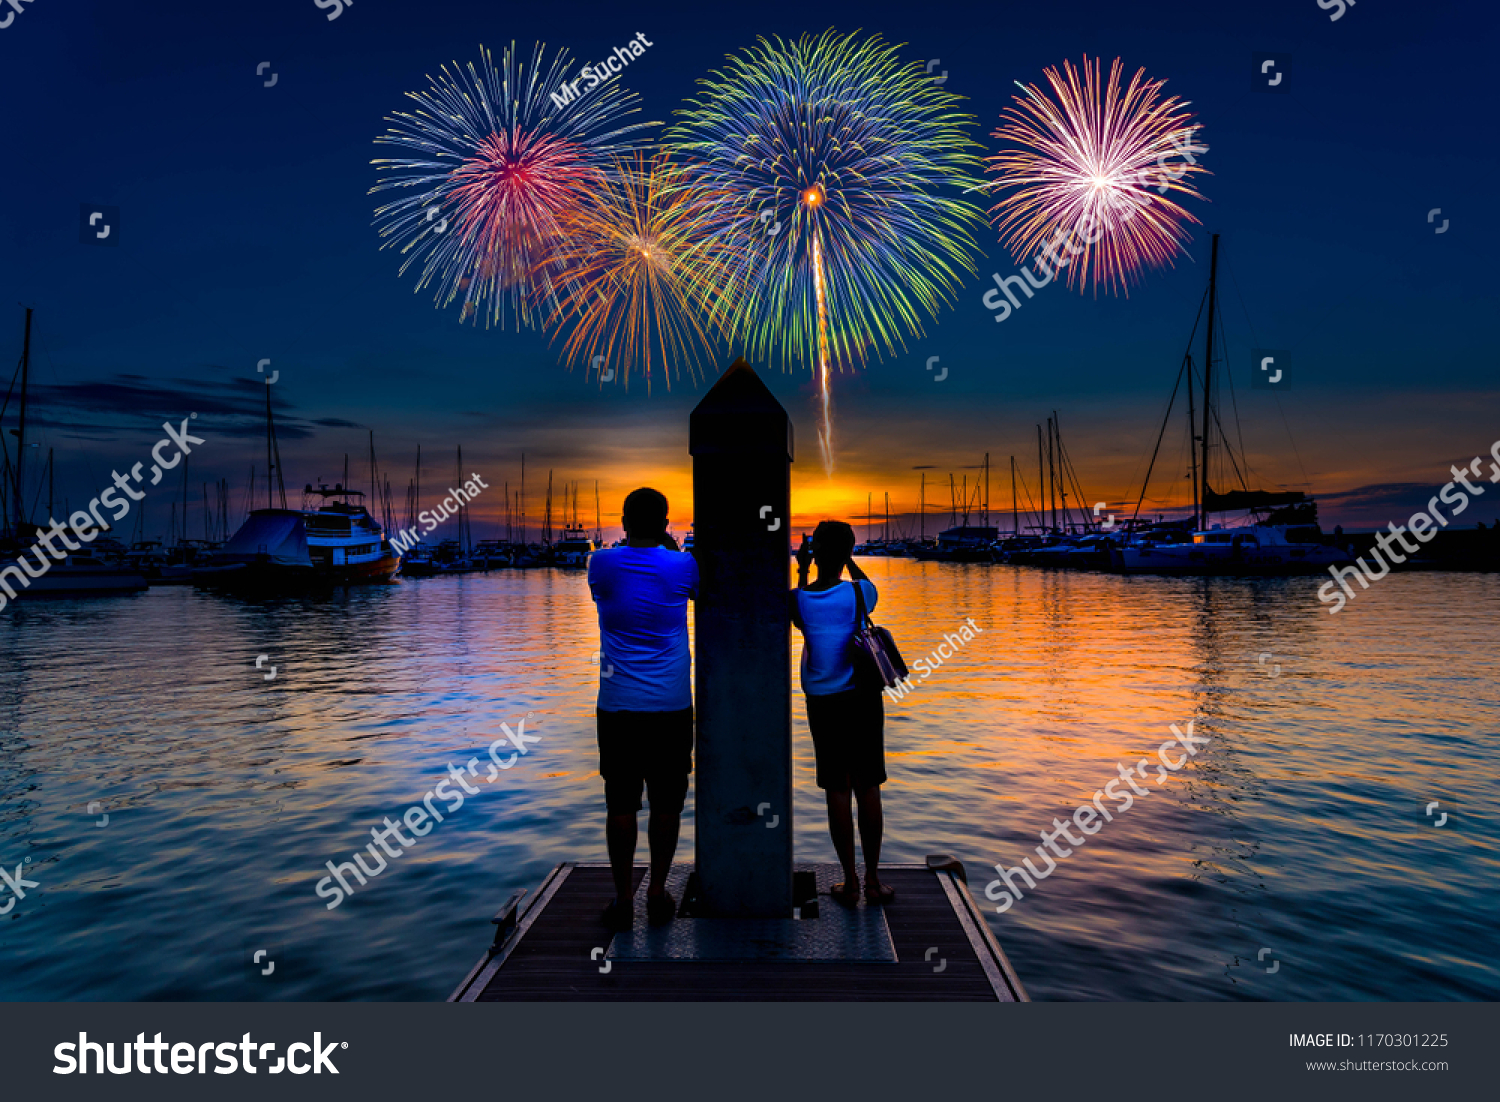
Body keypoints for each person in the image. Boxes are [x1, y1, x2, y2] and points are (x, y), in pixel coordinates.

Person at [587, 488, 699, 930]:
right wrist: (668, 545)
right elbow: (696, 590)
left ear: (623, 520)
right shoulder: (681, 564)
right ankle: (656, 890)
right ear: (666, 523)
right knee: (667, 803)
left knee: (620, 803)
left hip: (617, 707)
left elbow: (606, 594)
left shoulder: (600, 563)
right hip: (671, 705)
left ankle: (622, 900)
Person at [790, 521, 894, 906]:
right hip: (862, 699)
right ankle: (872, 881)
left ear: (813, 551)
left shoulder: (797, 600)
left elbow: (799, 612)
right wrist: (848, 562)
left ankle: (849, 883)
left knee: (837, 788)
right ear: (848, 552)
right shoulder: (858, 593)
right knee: (868, 786)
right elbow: (870, 591)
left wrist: (803, 567)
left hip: (823, 701)